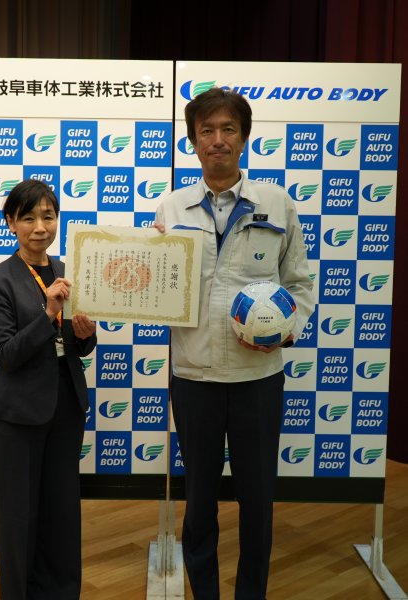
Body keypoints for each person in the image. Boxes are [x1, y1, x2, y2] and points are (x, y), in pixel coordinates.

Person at [154, 88, 314, 599]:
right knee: (199, 500)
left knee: (257, 499)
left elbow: (300, 284)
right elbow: (158, 286)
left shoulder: (277, 203)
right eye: (207, 130)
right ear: (193, 141)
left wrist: (287, 330)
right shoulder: (171, 206)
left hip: (257, 379)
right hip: (194, 377)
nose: (217, 140)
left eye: (228, 129)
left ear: (244, 138)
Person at [0, 179, 97, 600]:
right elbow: (6, 354)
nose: (40, 227)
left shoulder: (70, 270)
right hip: (18, 413)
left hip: (66, 406)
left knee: (61, 510)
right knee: (17, 516)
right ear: (10, 222)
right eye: (28, 218)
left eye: (48, 216)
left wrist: (85, 334)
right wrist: (48, 313)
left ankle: (62, 591)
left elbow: (78, 346)